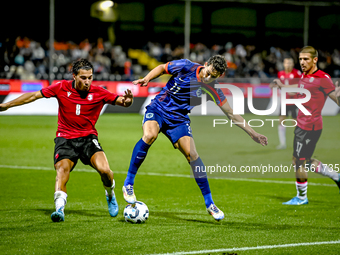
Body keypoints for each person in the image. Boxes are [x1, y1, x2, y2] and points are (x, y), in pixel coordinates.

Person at [122, 55, 268, 221]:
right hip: (158, 109)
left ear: (218, 76)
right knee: (149, 135)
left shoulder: (213, 88)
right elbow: (163, 67)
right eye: (208, 72)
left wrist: (253, 133)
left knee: (193, 155)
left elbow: (231, 114)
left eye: (213, 76)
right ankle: (128, 184)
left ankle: (210, 203)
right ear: (205, 65)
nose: (208, 77)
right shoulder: (186, 66)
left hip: (179, 119)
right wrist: (147, 78)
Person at [0, 58, 134, 221]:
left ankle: (110, 193)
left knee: (105, 171)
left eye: (90, 77)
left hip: (88, 138)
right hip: (65, 139)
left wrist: (128, 101)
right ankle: (59, 210)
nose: (87, 82)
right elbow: (34, 96)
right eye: (83, 78)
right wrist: (7, 105)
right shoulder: (61, 87)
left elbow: (122, 102)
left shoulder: (99, 92)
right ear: (74, 76)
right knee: (62, 171)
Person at [272, 46, 340, 205]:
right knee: (304, 160)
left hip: (309, 127)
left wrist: (338, 95)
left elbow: (335, 99)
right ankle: (337, 177)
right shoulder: (304, 75)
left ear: (315, 60)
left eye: (306, 59)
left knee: (298, 161)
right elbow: (301, 91)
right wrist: (284, 87)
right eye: (301, 59)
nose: (302, 62)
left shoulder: (323, 78)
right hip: (302, 125)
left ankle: (302, 197)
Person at [275, 56, 301, 150]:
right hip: (284, 101)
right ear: (283, 64)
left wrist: (293, 92)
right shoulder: (280, 73)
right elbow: (280, 86)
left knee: (295, 123)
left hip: (294, 101)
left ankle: (298, 143)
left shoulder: (297, 73)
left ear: (293, 64)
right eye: (286, 63)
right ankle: (282, 143)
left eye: (290, 63)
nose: (288, 65)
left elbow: (301, 85)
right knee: (281, 121)